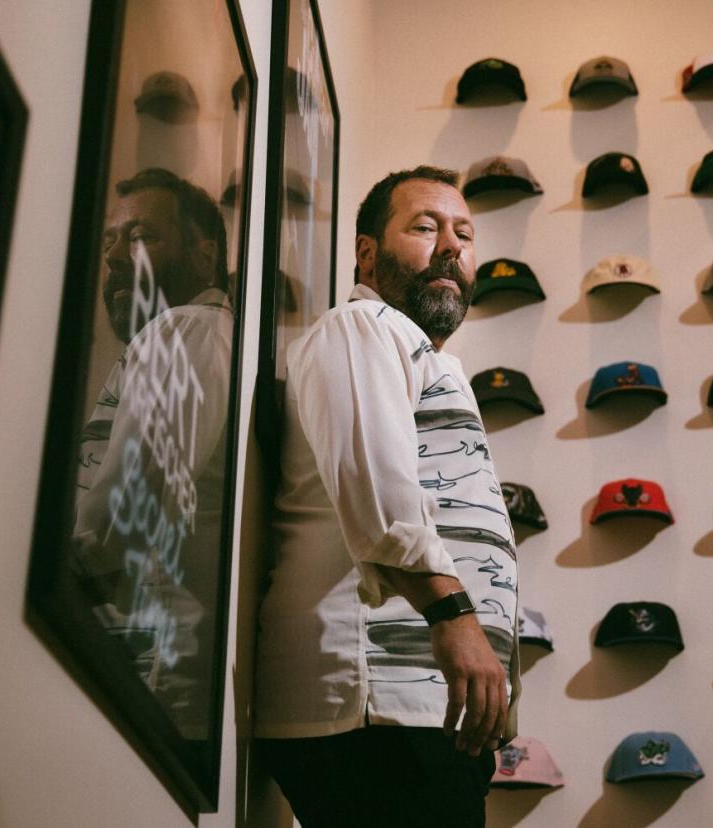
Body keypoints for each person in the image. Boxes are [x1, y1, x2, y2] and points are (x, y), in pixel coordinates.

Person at [254, 165, 520, 827]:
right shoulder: (363, 326)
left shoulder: (417, 354)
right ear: (368, 252)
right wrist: (454, 617)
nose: (451, 248)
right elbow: (380, 497)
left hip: (421, 709)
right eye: (425, 227)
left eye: (464, 233)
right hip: (375, 708)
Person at [72, 167, 234, 740]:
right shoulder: (198, 334)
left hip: (152, 672)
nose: (115, 257)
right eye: (111, 241)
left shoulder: (184, 329)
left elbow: (119, 519)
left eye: (141, 237)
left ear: (204, 255)